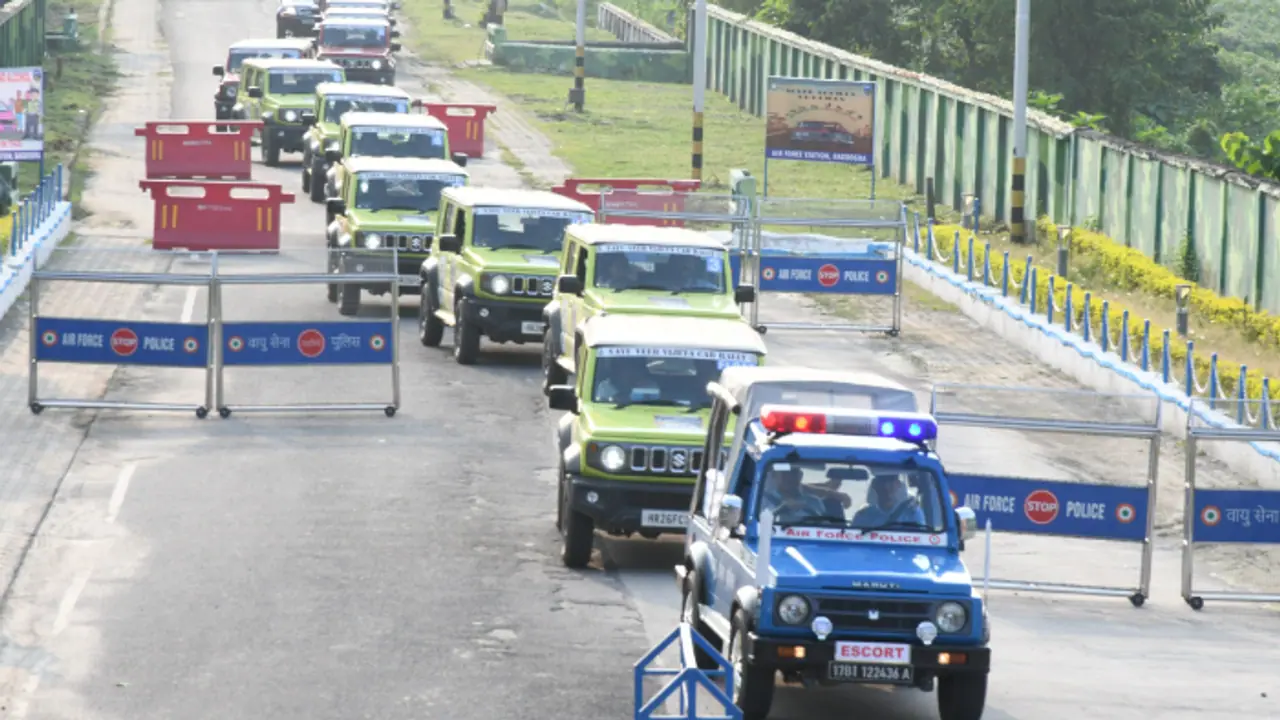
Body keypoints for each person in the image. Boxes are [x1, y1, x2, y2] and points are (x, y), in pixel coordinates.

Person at [761, 465, 831, 523]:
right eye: (785, 473)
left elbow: (827, 528)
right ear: (774, 475)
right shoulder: (762, 500)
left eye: (794, 473)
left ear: (800, 476)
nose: (790, 477)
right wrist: (781, 509)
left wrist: (813, 512)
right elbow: (758, 525)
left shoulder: (814, 501)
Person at [852, 474, 927, 527]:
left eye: (891, 483)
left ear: (898, 485)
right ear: (875, 486)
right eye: (883, 483)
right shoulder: (863, 516)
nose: (887, 488)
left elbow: (922, 541)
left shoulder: (912, 514)